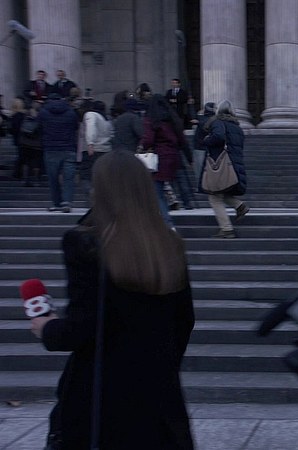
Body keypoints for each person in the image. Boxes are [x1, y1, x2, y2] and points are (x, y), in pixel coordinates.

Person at [30, 150, 195, 450]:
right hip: (159, 398)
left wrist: (47, 327)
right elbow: (184, 321)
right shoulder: (170, 244)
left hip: (101, 397)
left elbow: (82, 327)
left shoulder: (86, 245)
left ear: (100, 190)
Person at [199, 100, 249, 238]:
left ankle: (226, 229)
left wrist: (206, 140)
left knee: (214, 196)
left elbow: (218, 136)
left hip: (221, 163)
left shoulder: (218, 122)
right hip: (233, 163)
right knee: (222, 191)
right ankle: (239, 206)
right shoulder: (237, 127)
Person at [140, 94, 189, 229]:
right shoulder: (173, 120)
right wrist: (189, 158)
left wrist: (142, 146)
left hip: (159, 157)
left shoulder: (151, 120)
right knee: (164, 189)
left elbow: (148, 140)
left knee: (157, 193)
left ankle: (167, 224)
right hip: (173, 157)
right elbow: (182, 140)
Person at [39, 93, 79, 213]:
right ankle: (67, 202)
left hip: (51, 148)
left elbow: (39, 128)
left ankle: (56, 202)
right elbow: (75, 128)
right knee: (68, 178)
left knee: (53, 178)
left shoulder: (43, 112)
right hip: (69, 148)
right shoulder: (71, 112)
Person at [81, 101, 113, 197]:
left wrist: (90, 143)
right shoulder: (107, 119)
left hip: (93, 150)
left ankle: (92, 196)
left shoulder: (90, 115)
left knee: (87, 176)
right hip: (106, 150)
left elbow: (91, 127)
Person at [11, 98, 44, 187]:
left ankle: (25, 179)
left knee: (26, 162)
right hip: (37, 143)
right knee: (36, 163)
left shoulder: (25, 114)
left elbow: (18, 128)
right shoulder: (41, 115)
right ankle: (36, 180)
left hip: (25, 142)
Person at [192, 102, 215, 181]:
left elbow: (193, 116)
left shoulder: (200, 119)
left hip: (199, 147)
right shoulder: (215, 120)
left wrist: (190, 105)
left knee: (199, 170)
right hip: (210, 147)